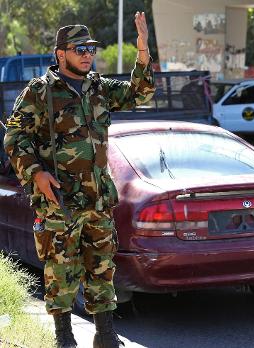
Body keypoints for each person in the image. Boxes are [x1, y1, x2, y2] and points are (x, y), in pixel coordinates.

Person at [3, 13, 155, 348]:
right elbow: (15, 139)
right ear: (61, 54)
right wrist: (36, 173)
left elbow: (139, 93)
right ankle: (64, 337)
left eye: (91, 48)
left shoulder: (98, 88)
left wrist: (142, 51)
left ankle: (104, 333)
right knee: (61, 269)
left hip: (98, 196)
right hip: (60, 199)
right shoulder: (39, 93)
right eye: (79, 48)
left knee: (101, 266)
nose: (88, 54)